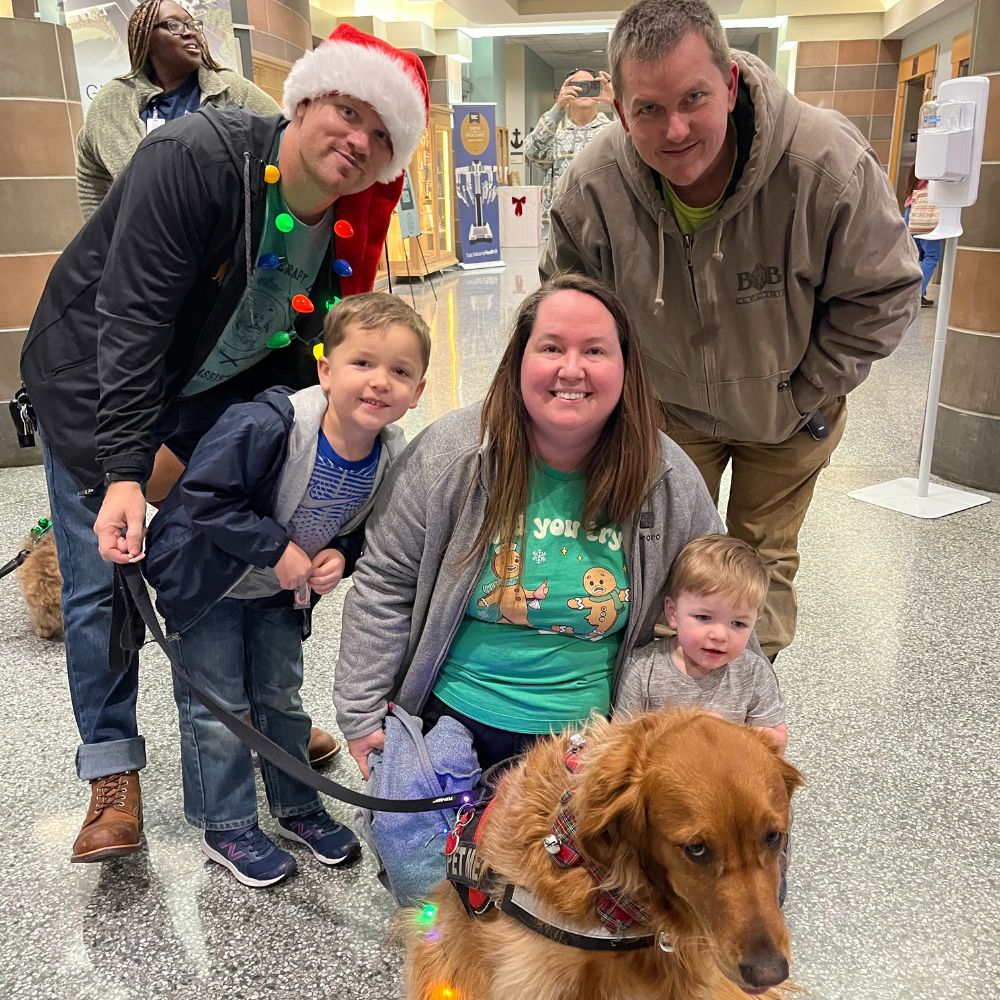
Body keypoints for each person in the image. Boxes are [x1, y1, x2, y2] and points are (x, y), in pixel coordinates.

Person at [19, 24, 430, 864]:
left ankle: (255, 710)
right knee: (104, 582)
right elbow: (128, 323)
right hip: (95, 381)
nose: (356, 141)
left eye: (380, 135)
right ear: (308, 97)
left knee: (215, 546)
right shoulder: (197, 159)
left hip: (204, 398)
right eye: (346, 112)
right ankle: (112, 772)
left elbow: (296, 355)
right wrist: (127, 472)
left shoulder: (344, 228)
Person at [540, 0, 921, 659]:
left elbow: (884, 292)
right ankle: (666, 722)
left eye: (694, 97)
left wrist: (804, 391)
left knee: (757, 566)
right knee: (668, 562)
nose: (676, 129)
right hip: (669, 409)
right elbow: (566, 306)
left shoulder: (824, 165)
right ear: (621, 108)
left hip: (790, 413)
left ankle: (744, 726)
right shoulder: (593, 187)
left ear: (731, 83)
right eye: (649, 109)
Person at [334, 273, 724, 777]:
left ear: (627, 369)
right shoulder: (452, 454)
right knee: (417, 852)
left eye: (596, 352)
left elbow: (722, 597)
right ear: (519, 360)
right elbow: (385, 585)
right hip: (450, 718)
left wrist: (751, 713)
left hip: (592, 740)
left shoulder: (664, 477)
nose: (571, 369)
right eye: (551, 347)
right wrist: (362, 712)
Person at [141, 293, 430, 887]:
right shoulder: (268, 425)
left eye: (400, 372)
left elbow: (362, 532)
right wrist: (278, 548)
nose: (380, 383)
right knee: (218, 707)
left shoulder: (387, 458)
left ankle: (297, 806)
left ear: (418, 391)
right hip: (209, 585)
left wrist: (338, 558)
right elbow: (201, 497)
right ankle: (225, 824)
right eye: (363, 364)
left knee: (281, 699)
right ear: (326, 369)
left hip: (276, 593)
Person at [76, 0, 280, 221]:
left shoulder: (230, 88)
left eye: (192, 25)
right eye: (174, 25)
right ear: (147, 38)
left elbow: (284, 134)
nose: (190, 33)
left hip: (223, 235)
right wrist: (106, 241)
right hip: (151, 235)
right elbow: (137, 184)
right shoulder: (116, 100)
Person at [617, 533, 787, 754]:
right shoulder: (643, 669)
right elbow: (619, 740)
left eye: (738, 623)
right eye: (704, 618)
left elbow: (777, 742)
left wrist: (724, 732)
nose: (719, 635)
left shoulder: (754, 673)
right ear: (673, 612)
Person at [524, 69, 614, 232]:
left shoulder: (613, 133)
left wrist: (617, 104)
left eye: (590, 85)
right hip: (562, 230)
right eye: (577, 86)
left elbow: (636, 146)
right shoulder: (555, 138)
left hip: (605, 227)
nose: (583, 90)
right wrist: (557, 107)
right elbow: (532, 152)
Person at [903, 167, 942, 308]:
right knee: (932, 256)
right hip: (926, 215)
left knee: (915, 255)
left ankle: (914, 293)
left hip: (911, 212)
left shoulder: (915, 167)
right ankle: (916, 294)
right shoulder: (932, 169)